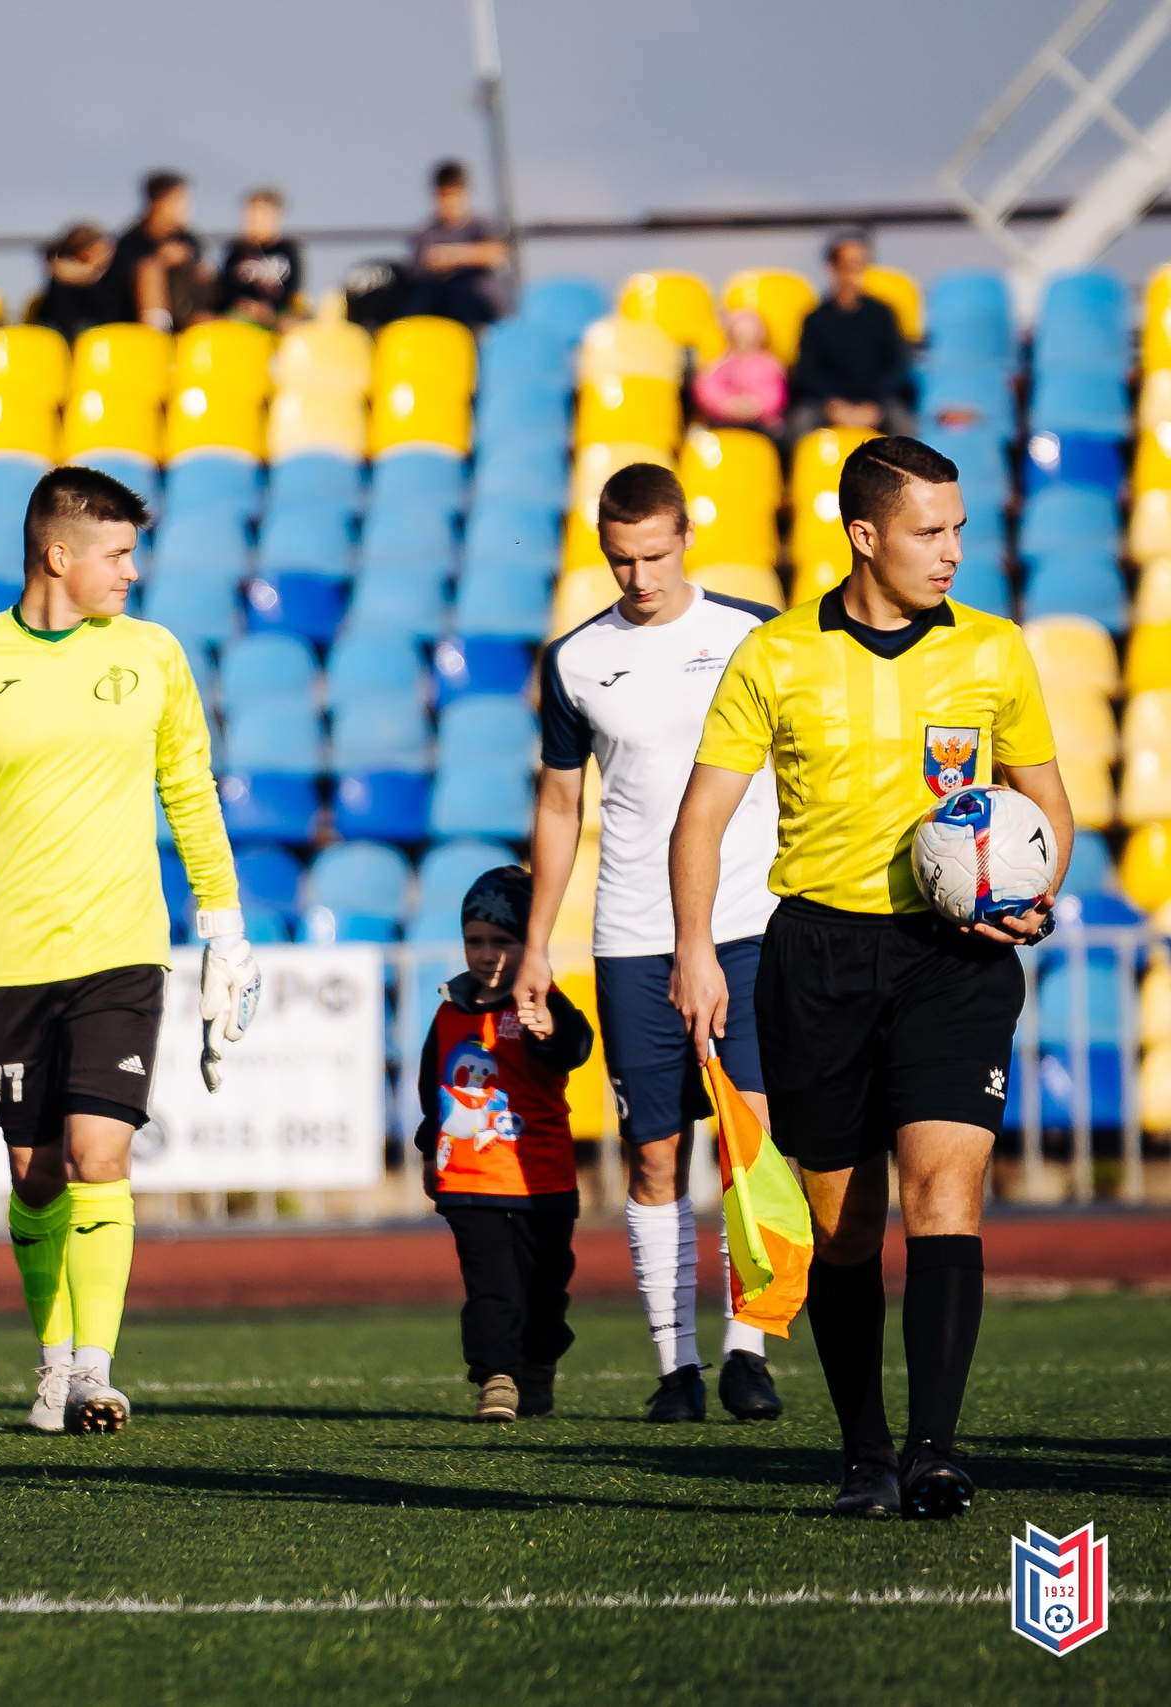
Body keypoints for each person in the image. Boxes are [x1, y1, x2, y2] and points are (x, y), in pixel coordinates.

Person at [670, 435, 1071, 1520]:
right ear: (863, 535)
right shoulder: (774, 655)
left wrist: (1032, 892)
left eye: (958, 531)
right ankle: (866, 1454)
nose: (951, 553)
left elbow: (1047, 803)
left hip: (954, 961)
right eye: (927, 533)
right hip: (818, 958)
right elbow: (701, 816)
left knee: (947, 1188)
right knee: (844, 1226)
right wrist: (697, 948)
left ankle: (936, 1452)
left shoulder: (994, 652)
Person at [0, 466, 258, 1436]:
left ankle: (93, 1373)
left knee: (97, 1151)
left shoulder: (153, 655)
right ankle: (49, 1360)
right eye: (117, 554)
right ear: (58, 554)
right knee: (36, 1172)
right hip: (9, 963)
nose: (131, 571)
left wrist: (224, 926)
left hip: (122, 950)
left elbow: (190, 791)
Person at [515, 463, 786, 1426]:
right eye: (623, 560)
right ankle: (678, 1366)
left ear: (687, 538)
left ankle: (750, 1350)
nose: (641, 577)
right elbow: (558, 802)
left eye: (657, 554)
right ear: (604, 549)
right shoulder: (576, 660)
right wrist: (539, 941)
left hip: (752, 924)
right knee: (655, 1155)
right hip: (632, 934)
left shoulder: (756, 631)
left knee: (753, 1143)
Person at [416, 867, 594, 1423]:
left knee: (544, 1295)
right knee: (492, 1289)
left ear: (528, 944)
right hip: (470, 1183)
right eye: (476, 941)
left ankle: (537, 1368)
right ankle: (496, 1377)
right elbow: (432, 1089)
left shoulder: (544, 1003)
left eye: (503, 941)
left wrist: (547, 1031)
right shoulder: (450, 1010)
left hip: (544, 1182)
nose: (488, 954)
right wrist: (429, 1150)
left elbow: (576, 1048)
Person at [788, 233, 913, 441]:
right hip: (827, 404)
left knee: (904, 425)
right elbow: (808, 372)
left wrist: (874, 405)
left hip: (876, 402)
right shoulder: (815, 319)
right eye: (850, 265)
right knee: (800, 423)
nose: (856, 273)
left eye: (862, 265)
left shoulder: (883, 314)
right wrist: (833, 405)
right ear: (832, 268)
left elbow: (895, 366)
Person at [409, 160, 512, 328]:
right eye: (443, 195)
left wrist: (452, 256)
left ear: (464, 194)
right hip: (442, 311)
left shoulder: (482, 225)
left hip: (482, 313)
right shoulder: (425, 233)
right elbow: (422, 267)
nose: (449, 202)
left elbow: (497, 254)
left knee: (466, 293)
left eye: (453, 194)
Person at [110, 171, 209, 332]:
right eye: (180, 200)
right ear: (159, 203)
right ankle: (158, 336)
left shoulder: (190, 241)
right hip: (135, 324)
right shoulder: (129, 243)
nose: (187, 208)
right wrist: (161, 260)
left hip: (186, 315)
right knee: (150, 269)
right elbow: (120, 284)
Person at [692, 307, 789, 437]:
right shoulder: (720, 364)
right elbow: (707, 390)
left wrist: (756, 407)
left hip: (763, 423)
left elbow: (776, 394)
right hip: (723, 420)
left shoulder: (771, 365)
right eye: (741, 337)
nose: (746, 342)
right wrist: (728, 405)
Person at [213, 187, 302, 327]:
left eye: (263, 216)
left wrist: (269, 309)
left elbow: (293, 289)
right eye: (251, 217)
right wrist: (245, 305)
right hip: (241, 312)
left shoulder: (288, 250)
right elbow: (225, 288)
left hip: (278, 312)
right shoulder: (235, 250)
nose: (256, 222)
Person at [28, 224, 125, 344]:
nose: (109, 254)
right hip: (67, 335)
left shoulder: (108, 273)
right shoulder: (64, 274)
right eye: (103, 249)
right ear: (84, 252)